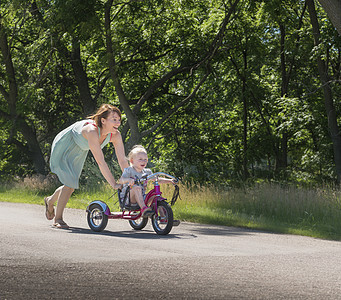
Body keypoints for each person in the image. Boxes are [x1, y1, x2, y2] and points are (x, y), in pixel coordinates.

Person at [44, 104, 129, 229]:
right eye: (114, 119)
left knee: (70, 184)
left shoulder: (115, 135)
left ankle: (50, 201)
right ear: (103, 120)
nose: (118, 123)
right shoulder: (92, 131)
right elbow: (101, 161)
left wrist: (129, 178)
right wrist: (114, 184)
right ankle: (58, 219)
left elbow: (122, 160)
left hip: (81, 149)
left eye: (119, 120)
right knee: (70, 184)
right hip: (67, 144)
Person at [118, 145, 174, 217]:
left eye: (145, 159)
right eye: (140, 159)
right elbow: (121, 180)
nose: (143, 161)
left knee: (155, 194)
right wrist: (128, 180)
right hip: (128, 199)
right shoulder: (129, 170)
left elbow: (157, 179)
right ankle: (144, 209)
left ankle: (165, 217)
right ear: (132, 161)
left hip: (141, 197)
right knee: (136, 187)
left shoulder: (147, 172)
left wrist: (170, 180)